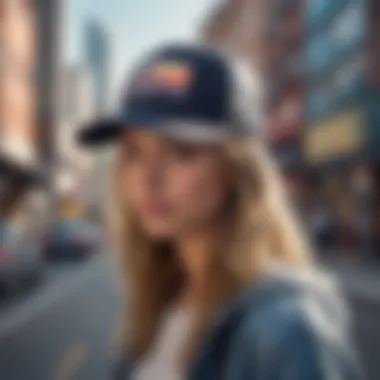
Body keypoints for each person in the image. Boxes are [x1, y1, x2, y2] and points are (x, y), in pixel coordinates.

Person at [78, 44, 361, 380]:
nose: (148, 179)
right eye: (134, 154)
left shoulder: (288, 333)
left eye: (181, 152)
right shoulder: (162, 302)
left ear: (235, 168)